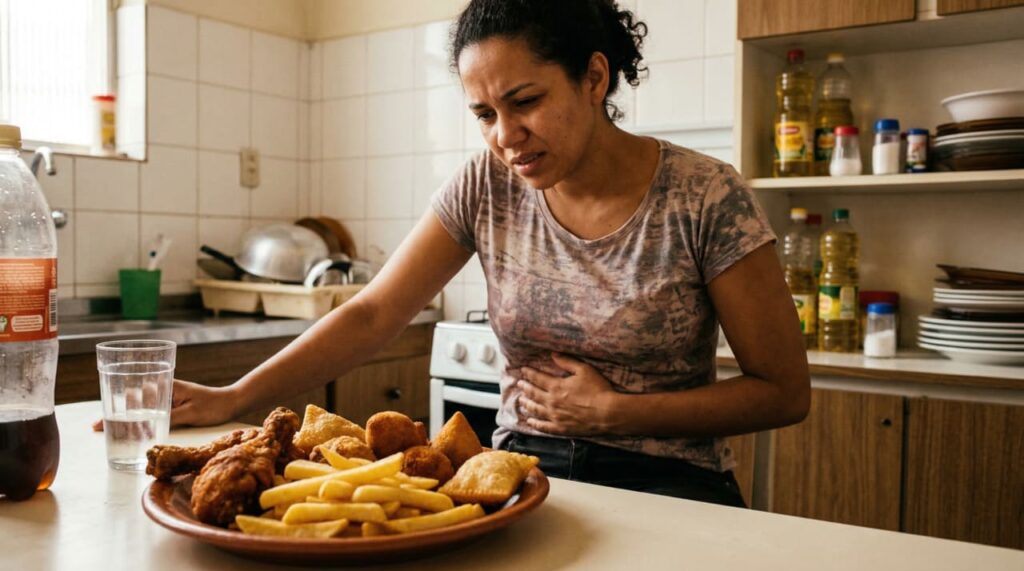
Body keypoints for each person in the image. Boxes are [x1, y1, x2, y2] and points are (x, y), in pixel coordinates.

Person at [172, 0, 810, 508]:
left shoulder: (704, 194)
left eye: (526, 102)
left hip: (672, 484)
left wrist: (616, 412)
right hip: (518, 475)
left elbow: (783, 391)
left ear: (593, 77)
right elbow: (372, 314)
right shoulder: (486, 185)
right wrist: (235, 396)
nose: (506, 137)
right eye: (484, 114)